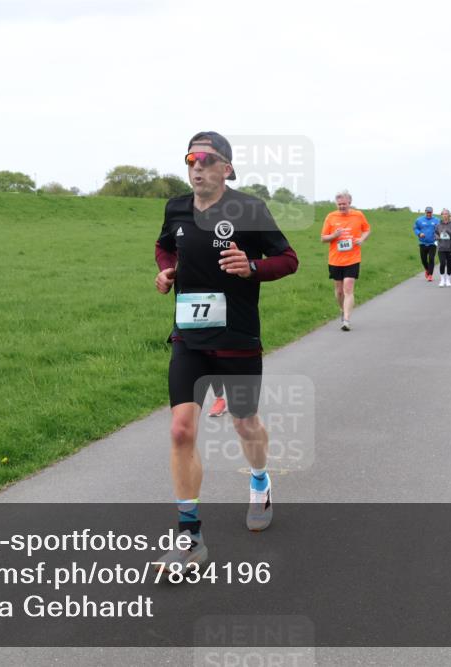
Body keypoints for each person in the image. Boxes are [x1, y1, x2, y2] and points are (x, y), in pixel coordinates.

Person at [154, 131, 299, 569]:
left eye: (207, 159)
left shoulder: (248, 208)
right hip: (188, 337)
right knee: (181, 429)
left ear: (227, 168)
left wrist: (252, 267)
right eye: (191, 159)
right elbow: (164, 246)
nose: (197, 166)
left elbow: (288, 258)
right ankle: (190, 537)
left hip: (236, 339)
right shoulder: (176, 207)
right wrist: (168, 271)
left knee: (245, 424)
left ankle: (259, 482)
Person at [321, 190, 370, 331]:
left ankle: (346, 320)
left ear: (350, 203)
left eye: (344, 204)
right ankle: (342, 310)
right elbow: (323, 238)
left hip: (353, 258)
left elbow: (367, 230)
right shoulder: (331, 217)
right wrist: (334, 235)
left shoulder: (358, 215)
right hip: (335, 259)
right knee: (339, 291)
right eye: (339, 204)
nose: (341, 206)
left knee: (348, 287)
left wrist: (361, 239)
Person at [413, 206, 438, 282]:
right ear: (425, 212)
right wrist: (419, 233)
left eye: (430, 212)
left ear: (432, 212)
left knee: (431, 258)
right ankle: (427, 269)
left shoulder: (436, 220)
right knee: (423, 260)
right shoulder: (419, 220)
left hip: (432, 243)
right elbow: (415, 228)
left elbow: (441, 228)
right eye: (427, 212)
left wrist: (438, 235)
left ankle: (430, 275)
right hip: (422, 242)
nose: (429, 214)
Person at [435, 212, 451, 287]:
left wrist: (449, 232)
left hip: (450, 247)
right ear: (442, 215)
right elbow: (435, 233)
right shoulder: (438, 225)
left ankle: (448, 279)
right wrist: (436, 236)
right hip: (441, 247)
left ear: (448, 215)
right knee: (442, 263)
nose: (445, 215)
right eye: (443, 214)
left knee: (449, 264)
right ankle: (442, 280)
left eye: (446, 214)